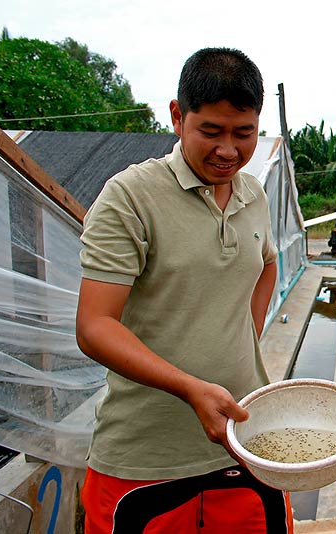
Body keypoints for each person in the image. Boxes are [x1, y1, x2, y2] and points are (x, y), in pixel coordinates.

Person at [75, 47, 292, 533]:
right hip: (146, 458)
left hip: (245, 441)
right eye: (210, 132)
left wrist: (242, 337)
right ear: (177, 116)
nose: (229, 151)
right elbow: (94, 326)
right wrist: (190, 387)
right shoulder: (130, 197)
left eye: (245, 133)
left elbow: (267, 265)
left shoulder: (251, 192)